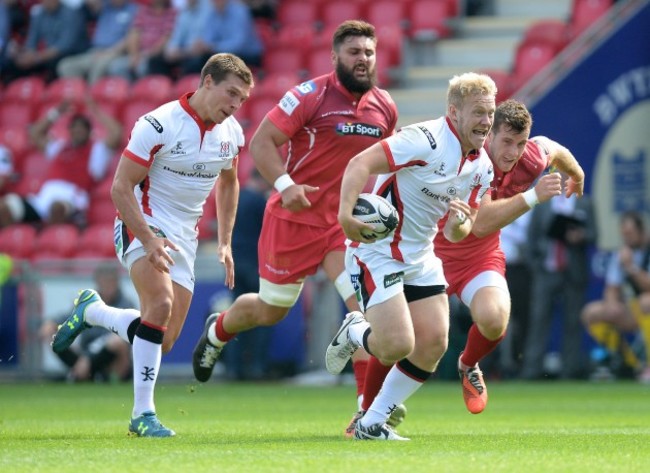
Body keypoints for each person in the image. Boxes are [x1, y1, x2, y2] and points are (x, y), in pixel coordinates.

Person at [343, 99, 585, 434]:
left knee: (494, 319)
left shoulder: (529, 157)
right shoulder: (473, 158)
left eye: (520, 143)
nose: (513, 152)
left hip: (479, 257)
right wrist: (533, 197)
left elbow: (554, 149)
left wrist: (577, 173)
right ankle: (367, 414)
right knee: (398, 340)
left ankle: (468, 364)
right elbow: (481, 222)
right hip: (433, 252)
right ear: (489, 135)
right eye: (506, 142)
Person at [190, 20, 398, 409]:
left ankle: (365, 414)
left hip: (344, 225)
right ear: (335, 56)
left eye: (369, 52)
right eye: (354, 52)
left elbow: (387, 161)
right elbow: (262, 141)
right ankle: (218, 331)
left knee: (364, 313)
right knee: (270, 311)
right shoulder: (309, 95)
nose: (363, 59)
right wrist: (286, 186)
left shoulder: (385, 106)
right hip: (294, 220)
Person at [51, 53, 254, 437]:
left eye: (242, 99)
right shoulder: (158, 124)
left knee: (161, 341)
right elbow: (119, 187)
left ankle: (94, 312)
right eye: (230, 93)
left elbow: (230, 183)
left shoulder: (232, 133)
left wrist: (224, 241)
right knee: (159, 306)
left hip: (186, 239)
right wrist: (147, 237)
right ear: (206, 81)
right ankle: (142, 416)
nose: (235, 105)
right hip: (142, 223)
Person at [325, 72, 497, 441]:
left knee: (433, 343)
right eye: (479, 113)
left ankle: (371, 424)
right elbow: (360, 163)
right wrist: (344, 215)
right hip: (378, 250)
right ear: (454, 112)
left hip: (420, 254)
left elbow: (459, 229)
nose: (486, 122)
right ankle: (355, 330)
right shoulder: (425, 139)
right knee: (397, 344)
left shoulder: (483, 166)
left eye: (490, 113)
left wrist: (458, 226)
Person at [0, 96, 122, 228]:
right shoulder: (60, 147)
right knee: (6, 206)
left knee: (57, 208)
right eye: (74, 127)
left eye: (82, 127)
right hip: (44, 199)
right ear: (69, 130)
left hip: (72, 198)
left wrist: (96, 111)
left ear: (89, 132)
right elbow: (35, 133)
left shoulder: (97, 151)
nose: (77, 130)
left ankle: (48, 242)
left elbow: (116, 133)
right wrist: (56, 112)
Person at [519, 186, 596, 380]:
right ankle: (532, 370)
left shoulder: (584, 202)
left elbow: (594, 234)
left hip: (573, 271)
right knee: (539, 320)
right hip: (546, 270)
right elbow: (531, 237)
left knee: (572, 322)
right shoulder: (542, 203)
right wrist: (536, 266)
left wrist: (581, 236)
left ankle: (570, 370)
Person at [581, 211, 650, 382]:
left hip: (645, 305)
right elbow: (612, 288)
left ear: (642, 232)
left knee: (645, 301)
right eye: (623, 234)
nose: (626, 238)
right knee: (592, 312)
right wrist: (612, 304)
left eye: (630, 234)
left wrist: (631, 267)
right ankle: (629, 363)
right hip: (634, 309)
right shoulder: (622, 254)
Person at [40, 263, 134, 382]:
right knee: (52, 334)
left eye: (110, 282)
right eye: (104, 282)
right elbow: (70, 317)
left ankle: (85, 374)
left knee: (117, 341)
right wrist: (51, 323)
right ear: (98, 282)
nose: (107, 286)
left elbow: (120, 339)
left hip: (110, 359)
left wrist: (88, 358)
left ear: (116, 283)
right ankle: (84, 373)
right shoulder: (89, 302)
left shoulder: (126, 304)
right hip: (83, 354)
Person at [221, 168, 273, 380]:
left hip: (233, 265)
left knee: (236, 316)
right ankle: (257, 366)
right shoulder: (260, 202)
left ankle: (234, 368)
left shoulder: (236, 198)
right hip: (254, 266)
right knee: (263, 316)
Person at [1, 0, 89, 83]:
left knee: (54, 63)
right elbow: (31, 43)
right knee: (13, 65)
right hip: (47, 55)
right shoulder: (39, 14)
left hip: (72, 54)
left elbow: (64, 46)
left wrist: (37, 58)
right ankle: (19, 94)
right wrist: (26, 56)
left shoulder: (71, 13)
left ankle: (54, 93)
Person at [56, 0, 139, 84]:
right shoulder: (105, 7)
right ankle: (77, 93)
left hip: (116, 53)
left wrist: (109, 51)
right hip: (95, 51)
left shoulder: (134, 10)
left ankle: (91, 95)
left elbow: (132, 37)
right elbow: (91, 2)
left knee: (99, 66)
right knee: (66, 66)